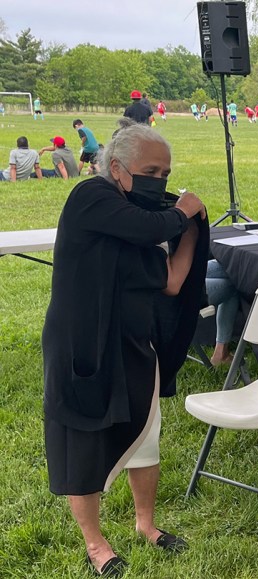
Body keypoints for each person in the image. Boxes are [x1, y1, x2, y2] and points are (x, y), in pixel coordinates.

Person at [42, 123, 208, 577]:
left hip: (135, 344)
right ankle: (96, 545)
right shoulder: (92, 197)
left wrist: (192, 229)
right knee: (85, 439)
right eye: (151, 170)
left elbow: (173, 281)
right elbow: (146, 227)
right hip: (84, 347)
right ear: (116, 167)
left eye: (167, 171)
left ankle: (146, 525)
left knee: (145, 435)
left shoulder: (143, 215)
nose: (160, 178)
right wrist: (183, 210)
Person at [204, 260, 240, 366]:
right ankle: (221, 353)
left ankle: (220, 352)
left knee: (230, 265)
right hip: (170, 285)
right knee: (235, 282)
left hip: (170, 270)